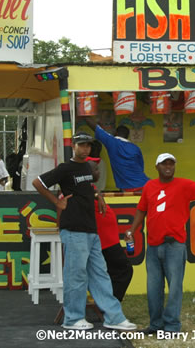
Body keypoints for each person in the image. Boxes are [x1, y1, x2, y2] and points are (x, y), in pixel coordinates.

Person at [125, 153, 195, 334]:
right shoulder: (150, 186)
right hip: (153, 246)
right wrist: (132, 230)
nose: (168, 167)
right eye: (164, 164)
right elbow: (141, 210)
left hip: (174, 245)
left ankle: (172, 326)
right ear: (157, 167)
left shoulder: (184, 184)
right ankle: (155, 325)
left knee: (174, 289)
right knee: (153, 288)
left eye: (171, 164)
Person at [32, 132, 136, 331]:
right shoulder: (65, 168)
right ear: (73, 146)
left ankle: (113, 317)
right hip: (73, 228)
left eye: (88, 145)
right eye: (82, 145)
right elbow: (38, 182)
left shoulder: (86, 168)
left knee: (101, 274)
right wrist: (57, 202)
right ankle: (72, 318)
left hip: (90, 228)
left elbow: (86, 186)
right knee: (76, 275)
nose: (85, 149)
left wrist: (98, 196)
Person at [86, 157, 134, 301]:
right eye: (95, 169)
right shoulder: (85, 189)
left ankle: (108, 303)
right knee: (123, 270)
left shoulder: (92, 188)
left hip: (107, 240)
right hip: (103, 241)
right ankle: (111, 304)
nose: (98, 171)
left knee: (114, 272)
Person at [92, 122, 150, 192]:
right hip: (145, 184)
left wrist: (83, 114)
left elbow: (96, 128)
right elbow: (141, 167)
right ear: (127, 136)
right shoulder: (135, 148)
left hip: (130, 188)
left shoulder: (112, 142)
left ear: (116, 133)